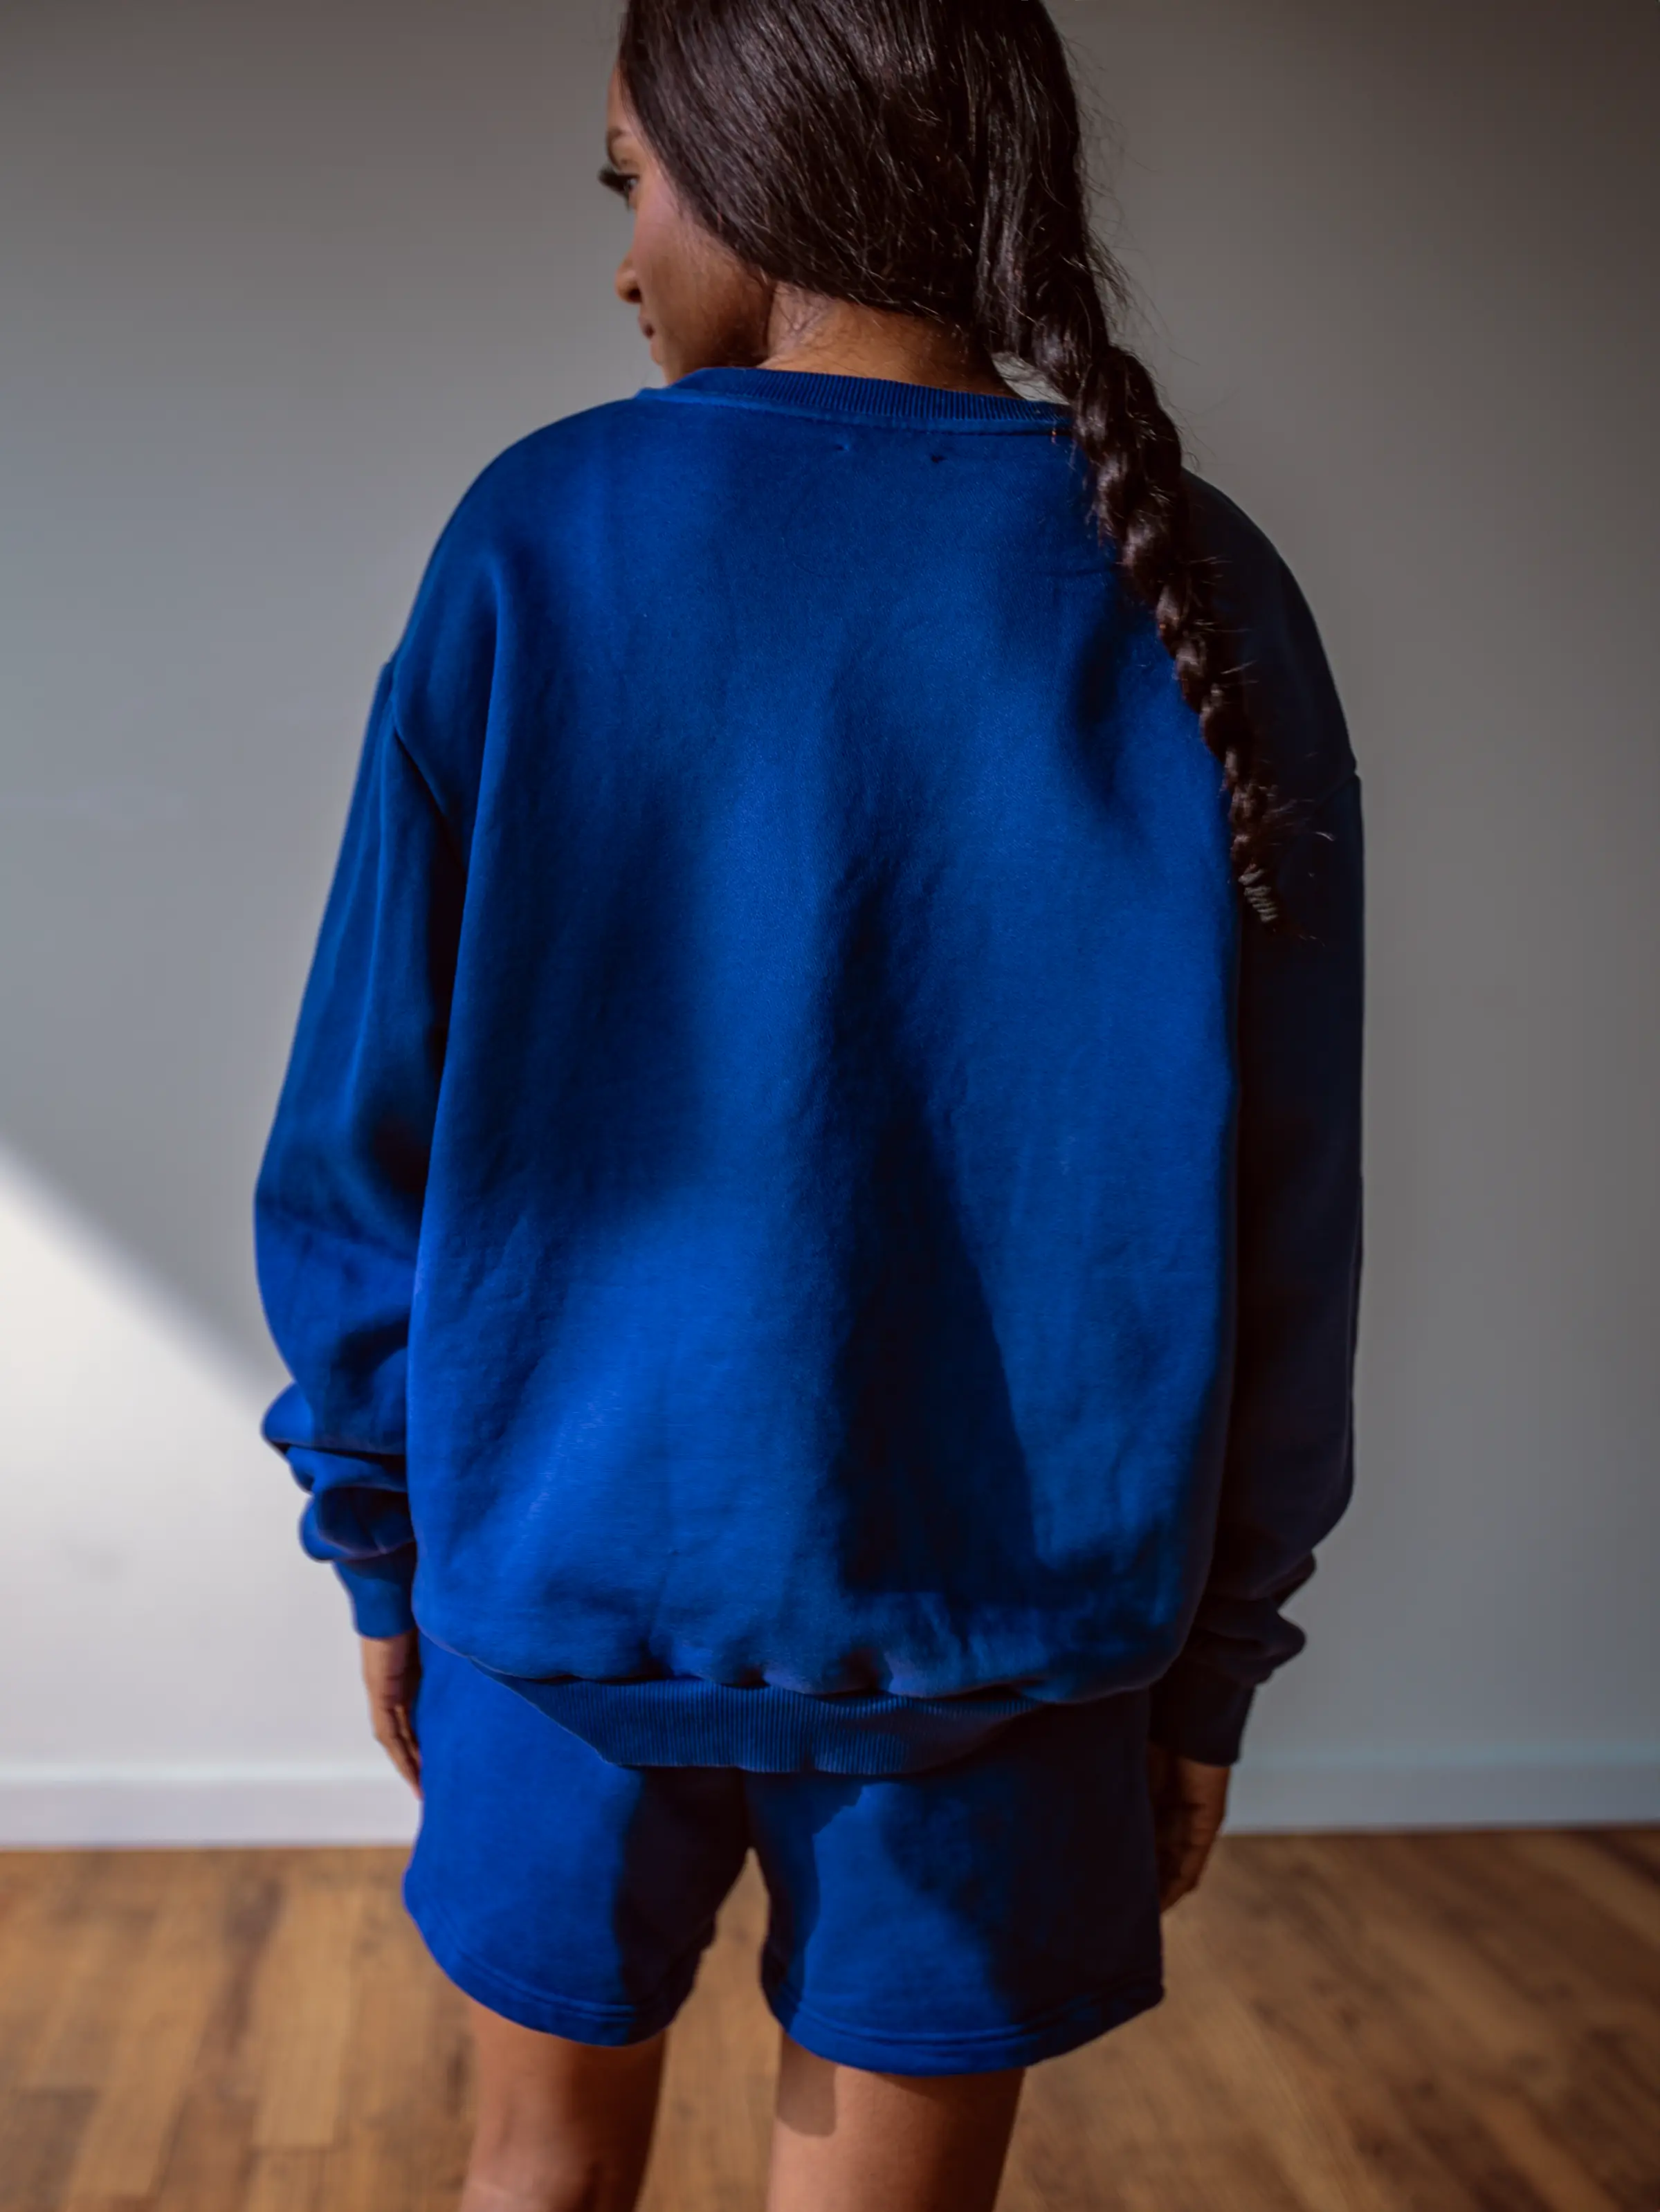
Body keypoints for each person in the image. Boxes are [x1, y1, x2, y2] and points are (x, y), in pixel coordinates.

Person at [253, 2, 1363, 2206]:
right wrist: (1216, 1647)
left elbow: (367, 1102)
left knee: (530, 2173)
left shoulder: (540, 531)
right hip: (1018, 1628)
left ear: (759, 173)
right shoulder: (1196, 574)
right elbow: (1289, 1201)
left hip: (564, 1585)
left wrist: (373, 1524)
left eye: (624, 183)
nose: (618, 254)